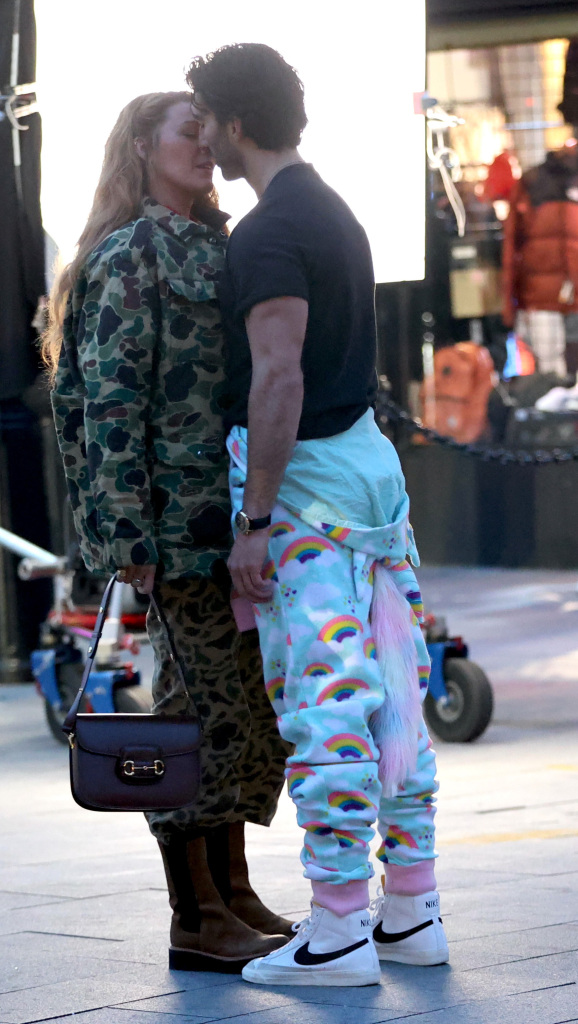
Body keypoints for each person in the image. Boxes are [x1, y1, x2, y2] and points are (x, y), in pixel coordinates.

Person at [187, 44, 448, 987]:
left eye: (207, 118)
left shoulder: (268, 233)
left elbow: (279, 376)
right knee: (395, 697)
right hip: (374, 485)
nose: (203, 136)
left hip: (310, 497)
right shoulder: (332, 210)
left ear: (238, 124)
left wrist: (252, 522)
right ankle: (410, 909)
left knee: (325, 702)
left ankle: (338, 925)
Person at [45, 91, 292, 973]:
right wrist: (127, 543)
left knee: (242, 713)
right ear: (143, 148)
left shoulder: (218, 241)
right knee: (192, 722)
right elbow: (108, 403)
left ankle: (232, 886)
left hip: (226, 526)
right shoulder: (130, 253)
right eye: (189, 132)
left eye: (208, 130)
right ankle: (195, 915)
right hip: (170, 534)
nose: (206, 145)